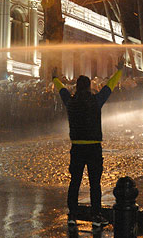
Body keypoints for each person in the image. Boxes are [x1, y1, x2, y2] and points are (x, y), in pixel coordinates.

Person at [52, 67, 123, 229]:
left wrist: (55, 78)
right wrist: (119, 71)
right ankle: (96, 216)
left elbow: (61, 90)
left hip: (76, 148)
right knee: (95, 183)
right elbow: (109, 87)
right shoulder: (96, 101)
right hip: (93, 148)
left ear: (77, 87)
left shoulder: (70, 102)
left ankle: (72, 215)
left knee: (74, 182)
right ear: (89, 87)